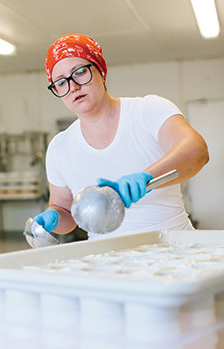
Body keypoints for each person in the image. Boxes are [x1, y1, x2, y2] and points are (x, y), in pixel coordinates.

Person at [33, 33, 209, 240]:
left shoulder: (147, 110)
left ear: (101, 70)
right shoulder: (59, 147)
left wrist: (147, 177)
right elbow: (64, 211)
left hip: (173, 249)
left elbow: (197, 151)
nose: (73, 87)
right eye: (60, 83)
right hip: (108, 261)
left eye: (79, 72)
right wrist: (54, 216)